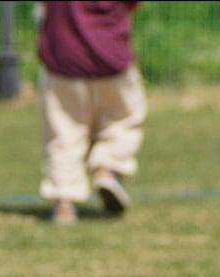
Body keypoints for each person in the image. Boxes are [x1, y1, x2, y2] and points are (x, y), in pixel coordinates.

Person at [36, 1, 146, 224]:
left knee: (64, 132)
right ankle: (108, 169)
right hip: (110, 57)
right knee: (122, 120)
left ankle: (64, 203)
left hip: (64, 59)